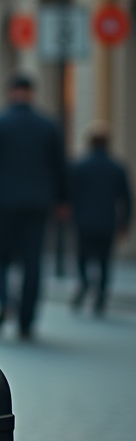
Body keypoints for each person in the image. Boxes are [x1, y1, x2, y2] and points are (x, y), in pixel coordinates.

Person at [0, 75, 68, 340]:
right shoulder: (48, 125)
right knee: (33, 262)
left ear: (10, 92)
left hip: (5, 203)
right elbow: (60, 166)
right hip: (38, 204)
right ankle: (27, 320)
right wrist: (62, 201)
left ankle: (4, 301)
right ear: (31, 93)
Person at [70, 121, 131, 314]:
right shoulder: (117, 167)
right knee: (104, 261)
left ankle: (85, 283)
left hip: (84, 221)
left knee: (83, 257)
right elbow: (127, 198)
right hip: (107, 221)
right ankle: (101, 295)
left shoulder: (80, 166)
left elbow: (71, 194)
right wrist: (125, 223)